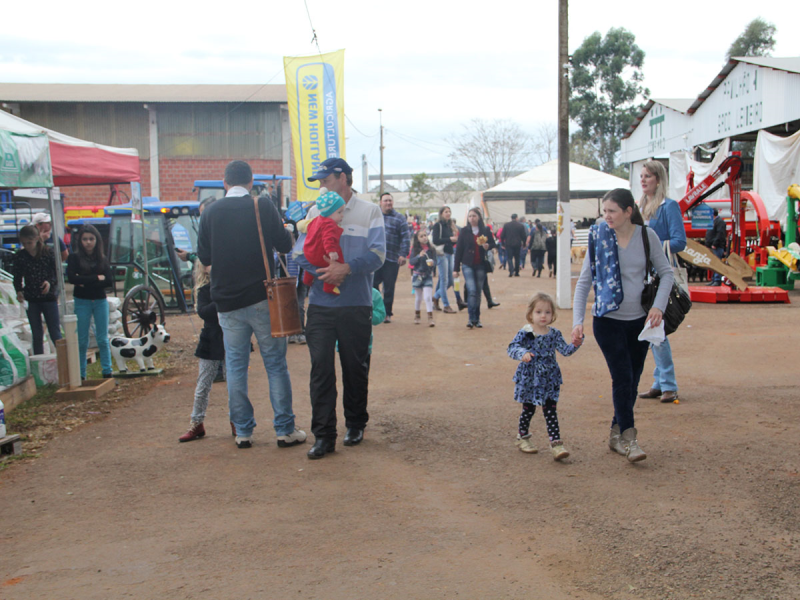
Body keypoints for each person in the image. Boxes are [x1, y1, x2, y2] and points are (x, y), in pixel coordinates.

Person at [197, 160, 305, 450]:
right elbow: (284, 246)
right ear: (250, 181)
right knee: (275, 365)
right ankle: (284, 429)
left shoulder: (210, 213)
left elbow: (204, 258)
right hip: (262, 298)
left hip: (226, 303)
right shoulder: (263, 205)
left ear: (224, 183)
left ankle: (243, 432)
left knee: (235, 366)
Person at [293, 157, 386, 459]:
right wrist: (326, 269)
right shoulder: (314, 211)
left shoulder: (370, 211)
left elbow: (378, 255)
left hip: (356, 303)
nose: (321, 185)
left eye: (325, 179)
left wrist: (345, 269)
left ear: (343, 177)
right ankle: (324, 436)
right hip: (320, 304)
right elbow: (298, 252)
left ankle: (356, 422)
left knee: (354, 367)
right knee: (320, 369)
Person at [571, 188, 674, 463]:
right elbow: (584, 283)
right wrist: (577, 322)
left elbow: (666, 274)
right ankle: (630, 439)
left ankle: (616, 432)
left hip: (640, 322)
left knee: (633, 379)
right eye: (604, 211)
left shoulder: (646, 236)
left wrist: (658, 307)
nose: (607, 216)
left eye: (612, 211)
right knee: (622, 377)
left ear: (628, 211)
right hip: (607, 321)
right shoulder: (599, 237)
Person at [508, 292, 580, 459]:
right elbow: (512, 347)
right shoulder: (526, 332)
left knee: (550, 410)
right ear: (531, 314)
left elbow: (565, 351)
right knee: (528, 409)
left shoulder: (554, 333)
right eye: (539, 312)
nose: (543, 316)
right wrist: (523, 353)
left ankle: (556, 444)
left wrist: (576, 344)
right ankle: (523, 437)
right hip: (529, 378)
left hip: (549, 378)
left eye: (547, 312)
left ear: (552, 315)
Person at [637, 160, 686, 404]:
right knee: (653, 330)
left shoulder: (669, 207)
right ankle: (660, 383)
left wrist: (653, 249)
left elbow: (680, 241)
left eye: (648, 176)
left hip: (661, 277)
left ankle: (668, 384)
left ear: (659, 179)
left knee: (657, 329)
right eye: (642, 176)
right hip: (645, 278)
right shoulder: (639, 206)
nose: (643, 180)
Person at [178, 261, 226, 442]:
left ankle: (237, 421)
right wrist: (221, 300)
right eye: (208, 263)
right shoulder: (204, 289)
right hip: (210, 339)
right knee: (203, 385)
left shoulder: (230, 285)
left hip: (231, 337)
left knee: (236, 385)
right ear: (203, 267)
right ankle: (196, 423)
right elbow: (204, 312)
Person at [66, 224, 113, 379]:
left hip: (100, 300)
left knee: (103, 338)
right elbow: (72, 278)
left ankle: (107, 371)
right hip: (82, 301)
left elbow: (108, 281)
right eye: (85, 239)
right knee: (82, 339)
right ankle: (81, 374)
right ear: (80, 241)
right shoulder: (74, 258)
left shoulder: (102, 259)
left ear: (96, 240)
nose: (88, 242)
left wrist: (84, 280)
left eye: (91, 239)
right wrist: (95, 278)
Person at [13, 225, 62, 355]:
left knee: (54, 331)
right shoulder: (21, 256)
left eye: (29, 243)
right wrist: (19, 290)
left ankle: (64, 359)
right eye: (24, 243)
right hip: (31, 298)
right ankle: (39, 360)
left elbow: (56, 272)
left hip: (48, 297)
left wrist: (50, 283)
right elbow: (17, 276)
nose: (27, 246)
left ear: (36, 239)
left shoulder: (47, 252)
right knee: (36, 333)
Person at [454, 207, 496, 329]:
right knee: (471, 290)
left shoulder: (485, 230)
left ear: (479, 217)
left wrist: (488, 246)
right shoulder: (464, 231)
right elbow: (459, 250)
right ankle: (470, 318)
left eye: (474, 216)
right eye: (470, 216)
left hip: (481, 264)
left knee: (477, 292)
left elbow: (494, 243)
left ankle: (477, 318)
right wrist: (455, 269)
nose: (472, 218)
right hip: (467, 264)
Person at [372, 192, 410, 324]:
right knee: (373, 285)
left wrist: (403, 254)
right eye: (385, 201)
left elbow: (405, 237)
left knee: (389, 287)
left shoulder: (399, 218)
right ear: (380, 202)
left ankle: (387, 313)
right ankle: (375, 311)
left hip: (392, 258)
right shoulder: (375, 217)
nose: (388, 203)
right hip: (375, 258)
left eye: (390, 201)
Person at [301, 190, 346, 295]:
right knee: (337, 262)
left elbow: (307, 228)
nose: (342, 215)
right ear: (329, 212)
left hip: (309, 252)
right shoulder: (329, 224)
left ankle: (307, 279)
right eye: (339, 212)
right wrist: (331, 251)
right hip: (320, 255)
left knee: (313, 263)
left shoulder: (316, 219)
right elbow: (328, 238)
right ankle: (329, 286)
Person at [431, 206, 458, 313]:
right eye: (446, 212)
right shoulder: (438, 225)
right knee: (444, 279)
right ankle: (446, 305)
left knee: (449, 280)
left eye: (449, 211)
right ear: (441, 214)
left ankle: (436, 297)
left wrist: (454, 240)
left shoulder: (449, 225)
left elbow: (451, 241)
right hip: (441, 254)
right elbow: (436, 240)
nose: (448, 213)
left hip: (449, 252)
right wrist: (449, 239)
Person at [409, 228, 437, 327]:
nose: (424, 237)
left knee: (428, 297)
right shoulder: (415, 249)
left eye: (425, 235)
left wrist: (433, 264)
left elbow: (435, 262)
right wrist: (418, 257)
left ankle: (430, 318)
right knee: (418, 298)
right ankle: (417, 315)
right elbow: (411, 262)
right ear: (417, 239)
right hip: (417, 275)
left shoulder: (431, 249)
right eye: (421, 236)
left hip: (427, 275)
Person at [705, 208, 727, 286]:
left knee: (717, 263)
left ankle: (717, 280)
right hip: (712, 246)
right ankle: (714, 279)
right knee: (714, 263)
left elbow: (720, 234)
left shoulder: (720, 222)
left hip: (716, 246)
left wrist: (715, 244)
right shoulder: (713, 222)